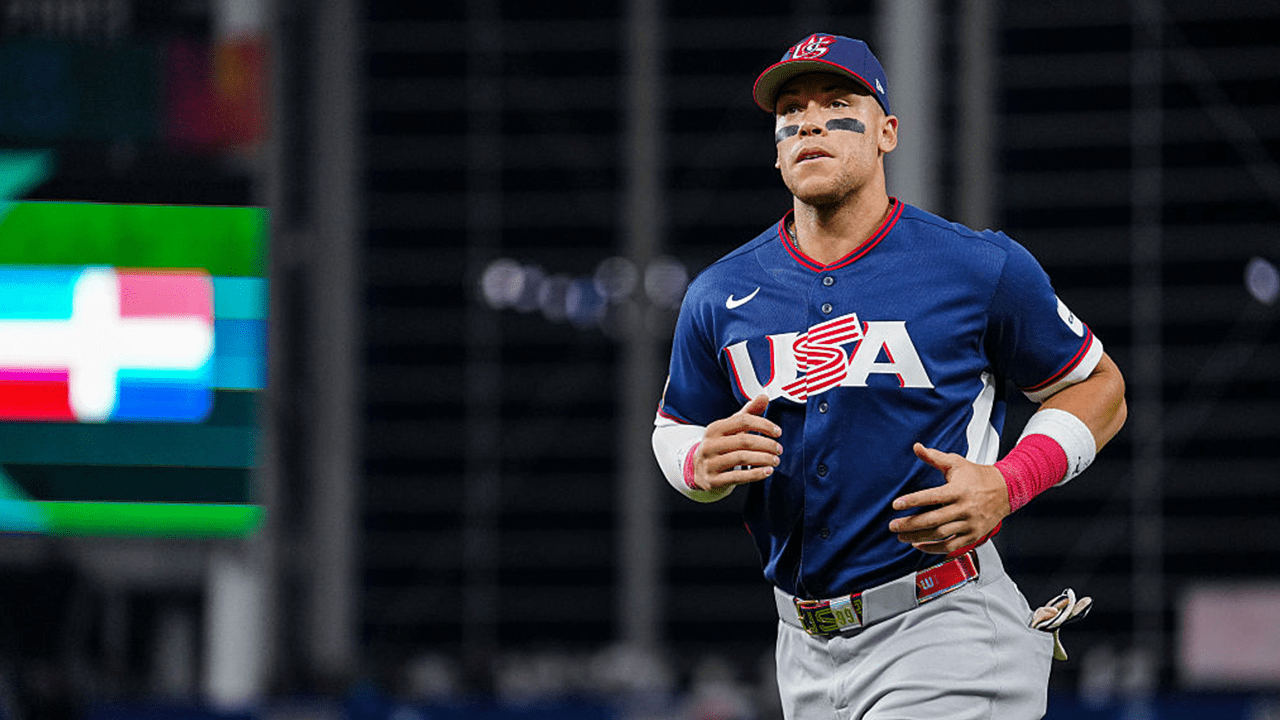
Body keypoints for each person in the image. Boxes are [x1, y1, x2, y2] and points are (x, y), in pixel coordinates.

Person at [651, 33, 1127, 719]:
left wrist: (1009, 481)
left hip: (945, 627)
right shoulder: (720, 292)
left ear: (886, 133)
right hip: (802, 648)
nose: (809, 120)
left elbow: (1099, 387)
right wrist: (698, 462)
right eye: (790, 112)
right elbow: (675, 429)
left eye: (837, 102)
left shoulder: (976, 267)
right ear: (779, 144)